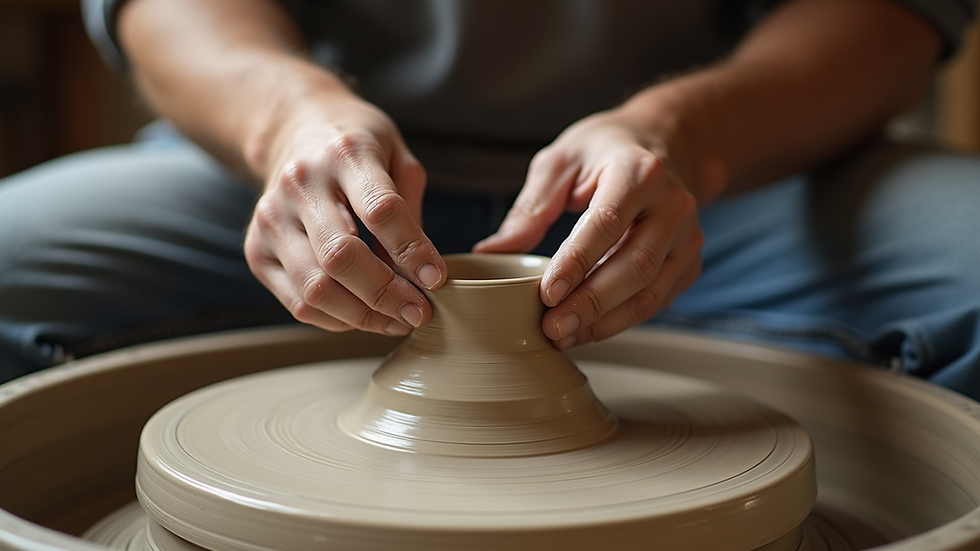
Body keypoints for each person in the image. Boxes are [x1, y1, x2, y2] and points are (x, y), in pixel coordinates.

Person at [1, 0, 979, 399]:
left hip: (710, 175)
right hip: (316, 172)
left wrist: (681, 136)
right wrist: (291, 122)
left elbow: (885, 20)